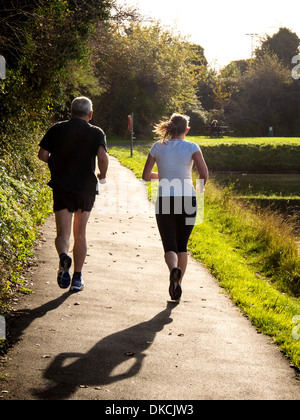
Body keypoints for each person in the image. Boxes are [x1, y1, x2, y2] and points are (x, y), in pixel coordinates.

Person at [38, 97, 109, 292]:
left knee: (63, 233)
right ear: (90, 114)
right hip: (85, 188)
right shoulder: (96, 132)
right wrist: (102, 176)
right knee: (80, 233)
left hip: (62, 186)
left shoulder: (57, 128)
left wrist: (56, 164)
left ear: (71, 112)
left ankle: (63, 257)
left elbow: (43, 155)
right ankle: (77, 279)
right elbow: (103, 157)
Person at [142, 113, 209, 301]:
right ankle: (177, 285)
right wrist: (199, 190)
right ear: (186, 130)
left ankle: (173, 270)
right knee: (182, 245)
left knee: (169, 245)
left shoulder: (157, 146)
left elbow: (146, 176)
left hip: (165, 200)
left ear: (170, 128)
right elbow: (204, 173)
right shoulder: (192, 147)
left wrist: (163, 176)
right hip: (188, 198)